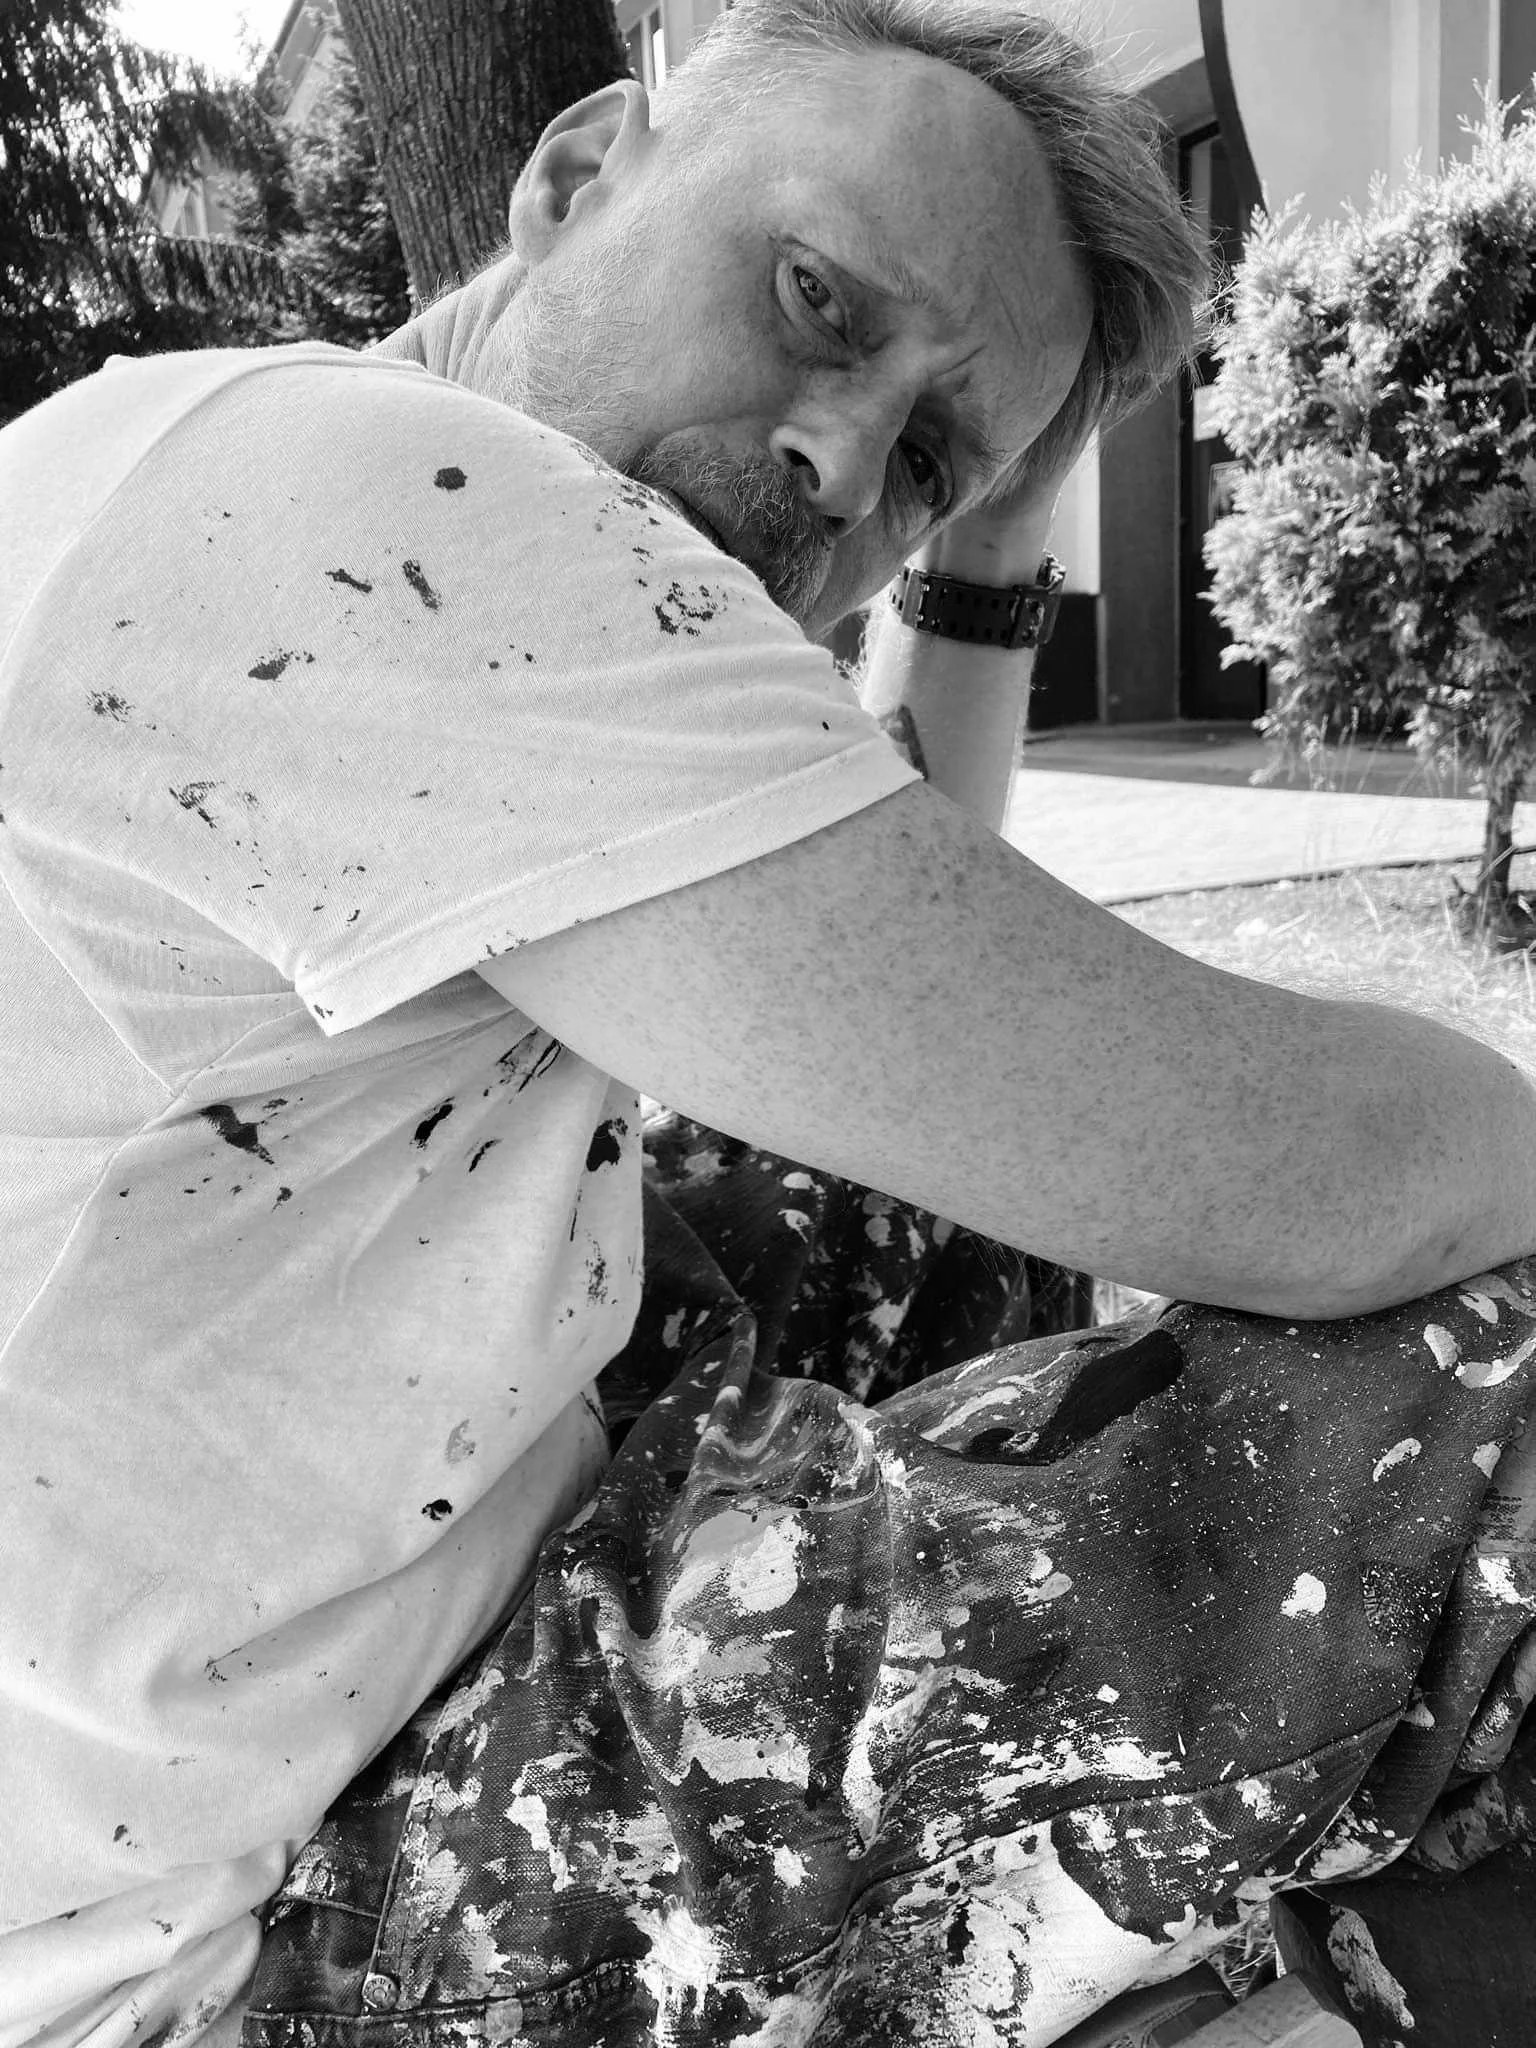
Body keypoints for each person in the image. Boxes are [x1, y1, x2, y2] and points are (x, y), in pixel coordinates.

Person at [2, 3, 1535, 2044]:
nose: (836, 458)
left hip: (209, 1719)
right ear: (567, 178)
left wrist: (979, 535)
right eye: (813, 300)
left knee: (928, 1205)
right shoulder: (383, 511)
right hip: (234, 1945)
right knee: (1493, 1385)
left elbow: (913, 978)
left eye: (916, 454)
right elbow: (1335, 1179)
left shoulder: (221, 459)